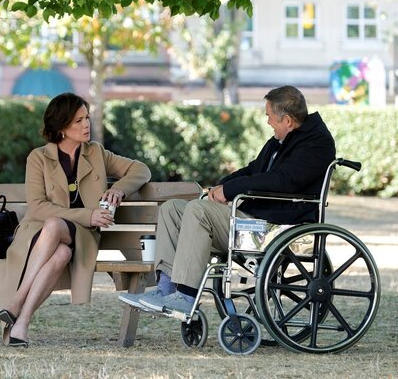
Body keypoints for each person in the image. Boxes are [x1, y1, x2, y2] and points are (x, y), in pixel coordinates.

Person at [118, 85, 335, 316]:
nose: (268, 122)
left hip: (275, 226)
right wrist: (221, 186)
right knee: (172, 209)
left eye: (270, 117)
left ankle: (186, 296)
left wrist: (231, 190)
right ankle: (165, 290)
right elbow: (254, 170)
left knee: (199, 211)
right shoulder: (280, 140)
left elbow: (282, 181)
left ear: (288, 121)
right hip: (255, 218)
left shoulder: (316, 144)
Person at [0, 92, 151, 347]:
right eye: (78, 120)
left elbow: (141, 169)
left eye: (87, 118)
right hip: (39, 232)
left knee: (57, 225)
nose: (86, 124)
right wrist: (88, 214)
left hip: (83, 234)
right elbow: (37, 207)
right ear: (60, 126)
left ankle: (16, 301)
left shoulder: (96, 153)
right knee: (60, 254)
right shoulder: (38, 158)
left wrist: (118, 189)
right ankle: (22, 322)